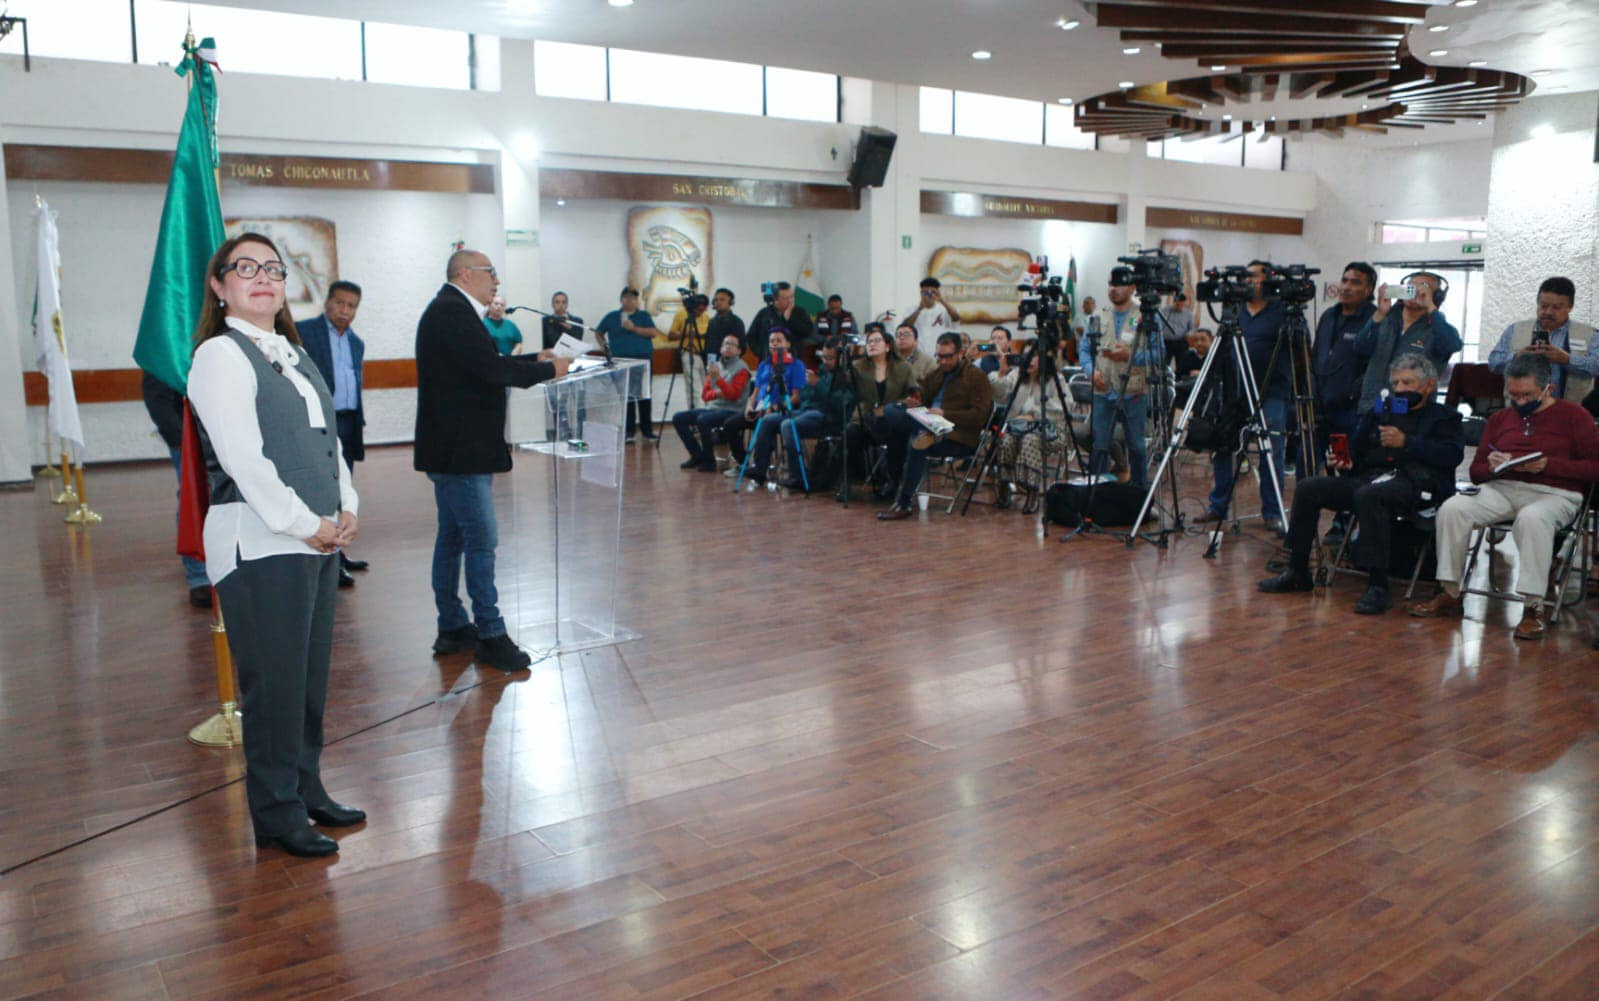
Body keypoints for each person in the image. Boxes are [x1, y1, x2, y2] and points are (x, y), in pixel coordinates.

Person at [186, 232, 363, 858]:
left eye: (273, 268)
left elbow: (329, 444)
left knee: (307, 682)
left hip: (314, 538)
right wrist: (302, 521)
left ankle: (306, 787)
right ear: (219, 286)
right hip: (260, 543)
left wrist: (346, 506)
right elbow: (245, 459)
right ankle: (276, 812)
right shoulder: (219, 356)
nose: (262, 277)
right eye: (245, 268)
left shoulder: (293, 351)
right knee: (274, 686)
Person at [414, 249, 571, 671]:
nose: (497, 281)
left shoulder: (451, 310)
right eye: (491, 273)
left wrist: (533, 359)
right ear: (466, 274)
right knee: (481, 540)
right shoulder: (452, 311)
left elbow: (483, 365)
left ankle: (452, 625)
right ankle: (490, 633)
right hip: (460, 451)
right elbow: (491, 372)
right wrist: (551, 371)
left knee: (453, 537)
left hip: (454, 448)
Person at [1409, 352, 1599, 639]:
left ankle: (1533, 607)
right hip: (1503, 487)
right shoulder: (1500, 418)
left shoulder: (1574, 416)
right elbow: (1476, 472)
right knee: (1453, 508)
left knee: (1532, 519)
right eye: (1514, 395)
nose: (1519, 402)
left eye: (1527, 395)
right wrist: (1492, 466)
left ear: (1549, 389)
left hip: (1555, 493)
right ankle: (1449, 592)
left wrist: (1549, 465)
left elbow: (1594, 467)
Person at [1259, 354, 1463, 614]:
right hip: (1372, 477)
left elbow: (1451, 456)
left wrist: (1407, 443)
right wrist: (1345, 460)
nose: (1400, 389)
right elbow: (1358, 448)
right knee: (1309, 488)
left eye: (1407, 383)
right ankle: (1297, 569)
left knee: (1370, 495)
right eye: (1396, 383)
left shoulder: (1445, 417)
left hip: (1417, 483)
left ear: (1429, 385)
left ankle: (1378, 586)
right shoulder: (1382, 411)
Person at [1200, 261, 1290, 530]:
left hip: (1270, 392)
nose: (1247, 282)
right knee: (1223, 448)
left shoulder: (1281, 311)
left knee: (1271, 453)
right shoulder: (1234, 311)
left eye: (1253, 276)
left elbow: (1298, 348)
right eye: (1244, 277)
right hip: (1234, 392)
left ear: (1268, 279)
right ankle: (1218, 507)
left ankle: (1272, 512)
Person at [297, 279, 368, 587]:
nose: (345, 310)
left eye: (352, 306)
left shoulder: (356, 342)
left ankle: (340, 552)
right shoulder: (304, 333)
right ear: (327, 302)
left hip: (349, 422)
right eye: (340, 303)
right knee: (324, 492)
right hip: (320, 423)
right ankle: (327, 558)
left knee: (344, 491)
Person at [877, 332, 993, 520]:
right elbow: (923, 392)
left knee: (914, 441)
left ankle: (902, 502)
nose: (943, 361)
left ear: (960, 353)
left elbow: (979, 416)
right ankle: (924, 433)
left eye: (948, 357)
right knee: (893, 412)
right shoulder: (939, 373)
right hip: (929, 422)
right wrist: (915, 401)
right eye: (940, 356)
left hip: (957, 434)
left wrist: (945, 414)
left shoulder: (976, 377)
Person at [1312, 263, 1379, 543]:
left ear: (1369, 288)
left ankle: (1343, 524)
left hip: (1351, 410)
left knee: (1347, 466)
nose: (1347, 287)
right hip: (1321, 405)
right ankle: (1315, 520)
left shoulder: (1374, 318)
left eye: (1356, 282)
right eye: (1345, 280)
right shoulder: (1329, 315)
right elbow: (1317, 354)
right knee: (1320, 466)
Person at [141, 371, 212, 608]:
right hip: (187, 435)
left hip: (223, 431)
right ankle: (199, 576)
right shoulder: (169, 347)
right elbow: (156, 394)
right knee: (193, 500)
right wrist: (180, 439)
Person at [1085, 277, 1157, 488]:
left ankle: (1139, 492)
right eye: (1110, 284)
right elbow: (1084, 350)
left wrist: (1130, 356)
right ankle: (1098, 493)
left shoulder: (1145, 316)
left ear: (1133, 287)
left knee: (1136, 447)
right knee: (1100, 446)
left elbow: (1157, 354)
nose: (1113, 289)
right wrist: (1090, 372)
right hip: (1103, 390)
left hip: (1133, 392)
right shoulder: (1098, 315)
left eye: (1119, 284)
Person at [1354, 271, 1461, 412]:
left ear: (1436, 296)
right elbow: (1360, 348)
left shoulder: (1438, 329)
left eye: (1423, 287)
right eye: (1411, 286)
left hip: (1412, 412)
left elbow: (1451, 345)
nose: (1415, 291)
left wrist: (1430, 307)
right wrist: (1379, 314)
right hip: (1371, 407)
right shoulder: (1385, 320)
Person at [1487, 277, 1596, 402]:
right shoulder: (1515, 329)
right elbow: (1493, 364)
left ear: (1570, 307)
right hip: (1521, 407)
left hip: (1572, 408)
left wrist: (1567, 360)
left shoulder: (1589, 334)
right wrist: (1517, 357)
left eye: (1556, 307)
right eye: (1544, 306)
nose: (1548, 312)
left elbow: (1596, 366)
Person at [722, 327, 808, 484]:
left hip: (782, 410)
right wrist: (749, 406)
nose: (774, 344)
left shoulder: (797, 365)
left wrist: (774, 408)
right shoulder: (764, 364)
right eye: (771, 341)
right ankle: (743, 463)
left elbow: (796, 397)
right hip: (759, 408)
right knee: (730, 424)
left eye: (778, 341)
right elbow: (755, 393)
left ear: (788, 344)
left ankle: (760, 467)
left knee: (766, 422)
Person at [991, 352, 1068, 513]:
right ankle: (1004, 485)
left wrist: (1034, 414)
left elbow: (1065, 406)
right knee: (1006, 441)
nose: (1028, 360)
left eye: (1033, 356)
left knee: (1030, 440)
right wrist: (1001, 373)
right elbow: (999, 397)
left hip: (1049, 431)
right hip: (1018, 430)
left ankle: (1032, 492)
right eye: (1026, 356)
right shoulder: (1016, 375)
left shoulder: (1056, 379)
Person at [778, 337, 856, 491]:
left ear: (842, 358)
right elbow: (805, 396)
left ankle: (797, 476)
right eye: (824, 357)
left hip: (829, 418)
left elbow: (840, 404)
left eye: (830, 358)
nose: (826, 361)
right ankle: (759, 470)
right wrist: (810, 387)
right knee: (769, 420)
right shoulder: (821, 371)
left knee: (788, 425)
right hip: (808, 411)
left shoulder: (847, 375)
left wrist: (818, 384)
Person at [850, 323, 915, 498]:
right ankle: (847, 482)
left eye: (877, 341)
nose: (872, 344)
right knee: (850, 433)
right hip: (866, 418)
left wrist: (888, 409)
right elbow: (846, 387)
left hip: (891, 418)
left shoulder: (903, 367)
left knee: (897, 435)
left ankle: (892, 483)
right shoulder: (857, 366)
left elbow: (912, 395)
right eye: (869, 341)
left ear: (887, 346)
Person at [670, 334, 750, 472]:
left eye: (732, 344)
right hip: (713, 407)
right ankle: (697, 456)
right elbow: (705, 395)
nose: (728, 347)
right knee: (678, 418)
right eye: (725, 343)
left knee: (703, 420)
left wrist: (718, 379)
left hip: (733, 410)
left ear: (739, 351)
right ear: (720, 348)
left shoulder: (742, 368)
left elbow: (734, 395)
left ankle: (709, 462)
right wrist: (718, 393)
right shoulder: (715, 366)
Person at [595, 287, 658, 441]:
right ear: (621, 299)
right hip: (621, 362)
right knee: (626, 396)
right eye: (627, 297)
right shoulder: (612, 316)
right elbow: (598, 332)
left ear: (637, 301)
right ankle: (629, 432)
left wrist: (633, 328)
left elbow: (653, 333)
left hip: (643, 361)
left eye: (633, 298)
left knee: (644, 396)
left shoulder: (643, 316)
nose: (630, 300)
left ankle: (647, 431)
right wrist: (605, 347)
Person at [747, 281, 813, 359]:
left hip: (792, 360)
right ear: (776, 300)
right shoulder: (764, 313)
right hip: (768, 360)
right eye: (786, 298)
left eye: (792, 296)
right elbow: (751, 336)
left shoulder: (800, 312)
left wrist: (790, 319)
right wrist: (761, 353)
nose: (790, 300)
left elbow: (808, 332)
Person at [667, 291, 712, 391]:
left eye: (703, 310)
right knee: (694, 388)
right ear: (693, 307)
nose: (700, 312)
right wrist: (687, 334)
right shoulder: (681, 313)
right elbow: (671, 336)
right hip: (689, 352)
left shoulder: (707, 316)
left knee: (709, 385)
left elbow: (711, 334)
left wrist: (701, 335)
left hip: (704, 353)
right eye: (699, 310)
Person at [905, 276, 961, 355]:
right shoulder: (912, 309)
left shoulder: (943, 309)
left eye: (932, 292)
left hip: (939, 354)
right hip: (918, 355)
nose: (929, 295)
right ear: (921, 293)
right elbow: (905, 326)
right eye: (925, 292)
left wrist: (941, 300)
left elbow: (956, 318)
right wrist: (919, 309)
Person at [706, 287, 746, 357]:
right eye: (716, 300)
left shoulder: (737, 322)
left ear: (730, 302)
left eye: (722, 300)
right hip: (711, 361)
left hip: (728, 361)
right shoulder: (711, 322)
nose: (718, 302)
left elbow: (742, 347)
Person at [1159, 292, 1194, 357]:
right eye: (1177, 304)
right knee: (1164, 361)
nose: (1179, 306)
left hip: (1181, 343)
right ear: (1174, 302)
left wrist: (1189, 334)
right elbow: (1158, 323)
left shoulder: (1188, 314)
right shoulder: (1165, 310)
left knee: (1182, 361)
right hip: (1166, 342)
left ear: (1184, 303)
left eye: (1181, 304)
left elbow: (1192, 328)